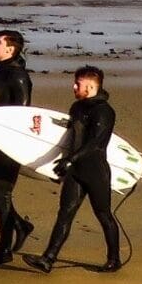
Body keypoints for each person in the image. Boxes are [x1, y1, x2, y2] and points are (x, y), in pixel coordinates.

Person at [26, 66, 123, 273]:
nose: (74, 86)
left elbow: (96, 143)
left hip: (96, 172)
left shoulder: (104, 111)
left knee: (104, 215)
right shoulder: (76, 108)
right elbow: (69, 140)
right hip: (75, 170)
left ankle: (114, 259)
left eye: (78, 84)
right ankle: (48, 259)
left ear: (90, 86)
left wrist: (70, 160)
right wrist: (59, 164)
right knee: (65, 214)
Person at [0, 29, 37, 264]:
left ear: (11, 49)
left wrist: (12, 144)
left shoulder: (19, 77)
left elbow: (23, 113)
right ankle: (21, 225)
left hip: (10, 142)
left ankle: (4, 250)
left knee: (2, 196)